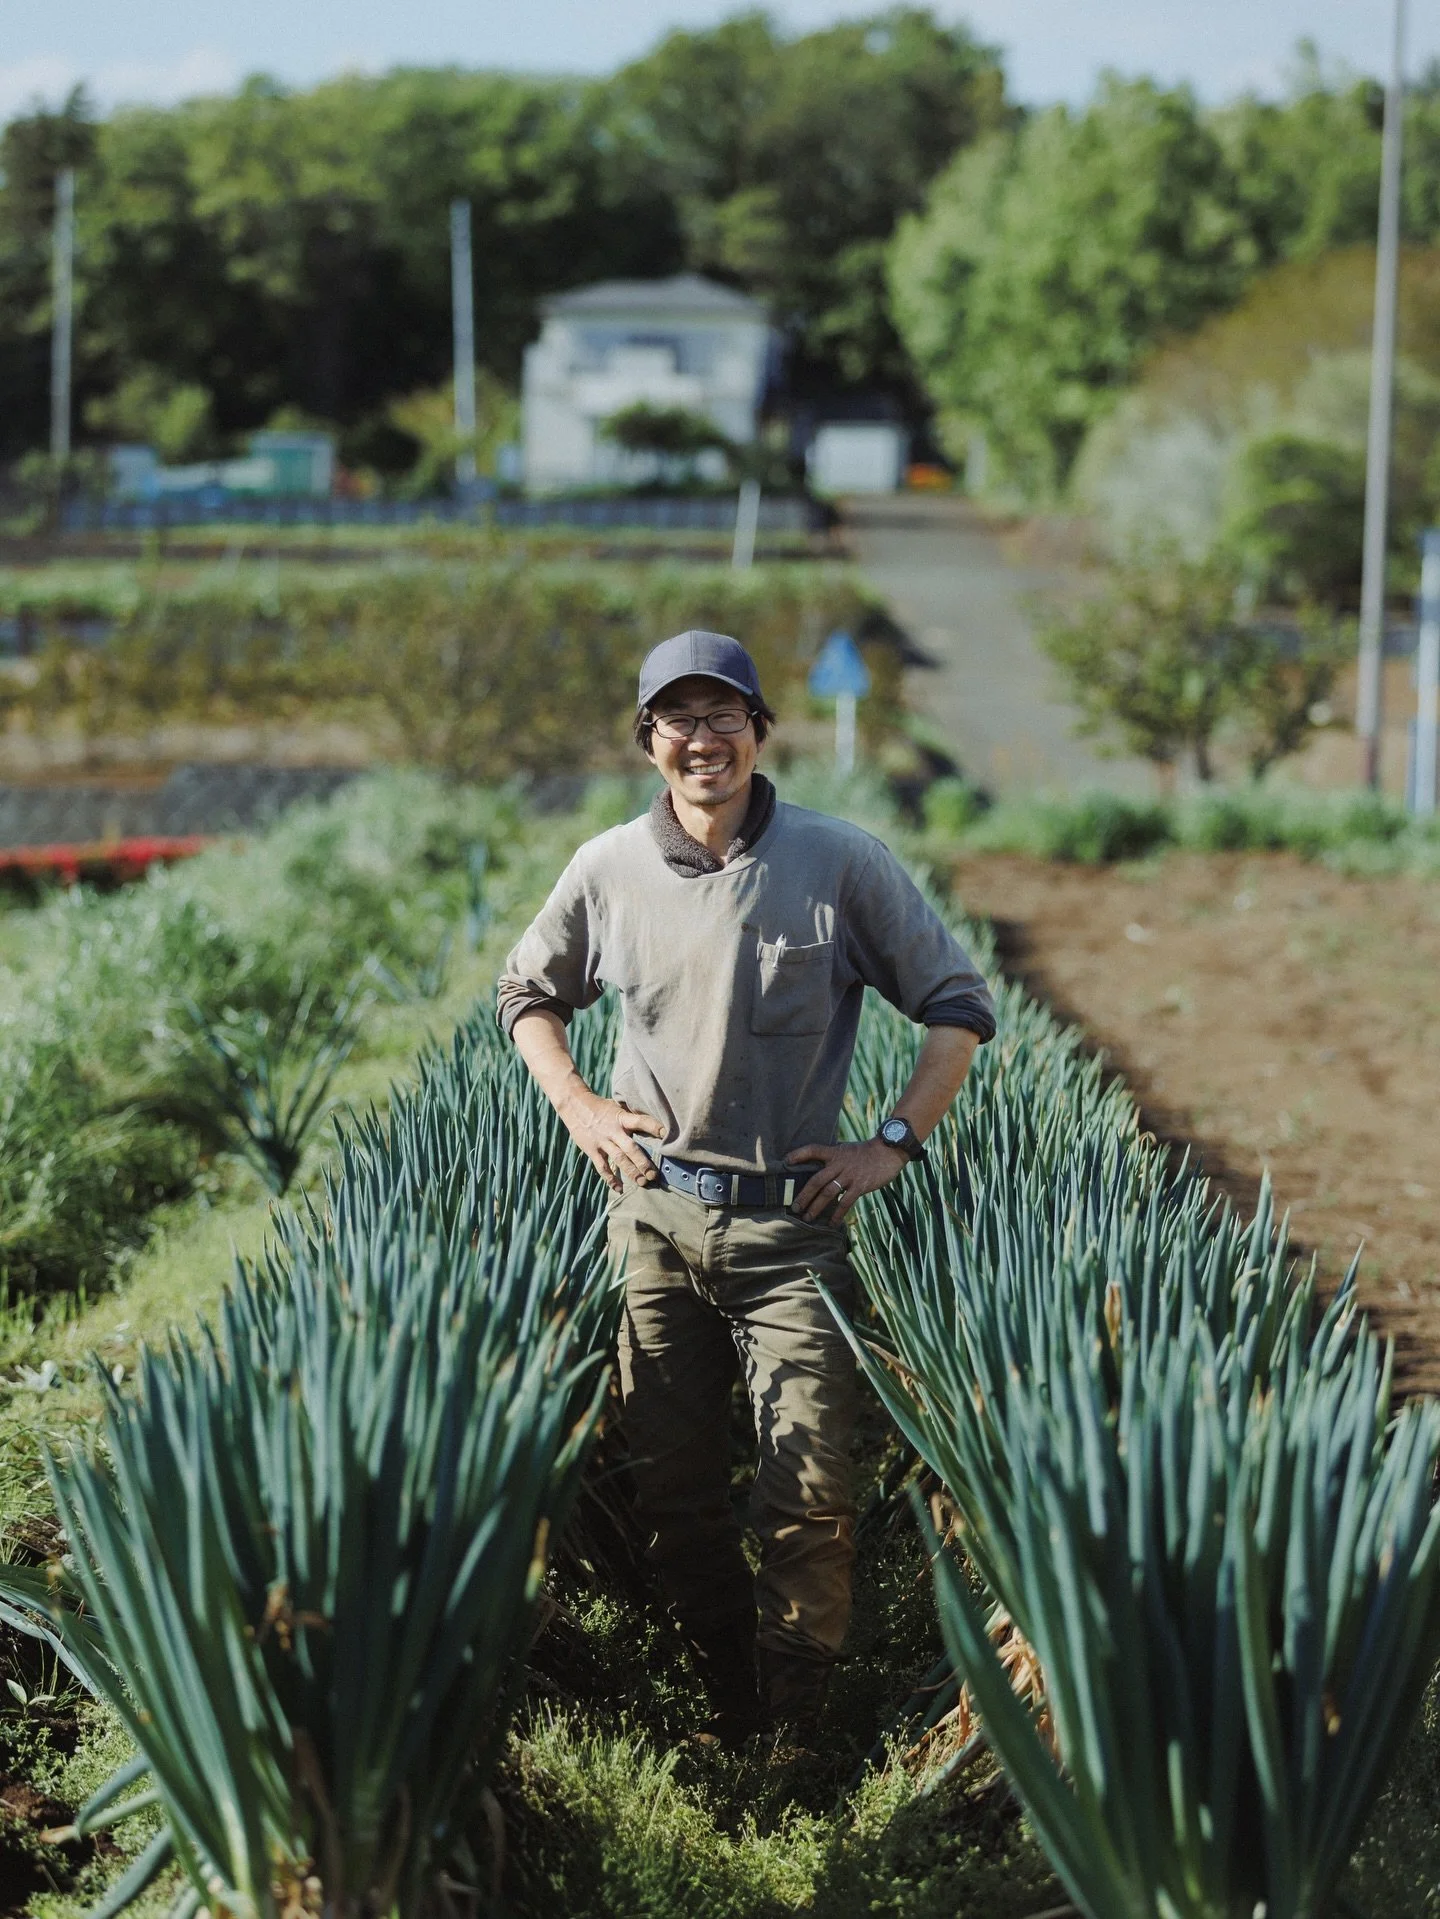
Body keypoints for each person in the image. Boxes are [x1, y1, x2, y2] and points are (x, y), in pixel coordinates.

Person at [497, 629, 995, 1747]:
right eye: (677, 719)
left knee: (809, 1486)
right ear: (649, 743)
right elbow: (525, 991)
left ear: (761, 729)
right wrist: (577, 1102)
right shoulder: (606, 867)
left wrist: (891, 1143)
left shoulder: (838, 860)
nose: (702, 737)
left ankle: (797, 1727)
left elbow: (958, 1005)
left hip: (792, 1223)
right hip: (655, 1223)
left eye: (723, 713)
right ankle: (726, 1700)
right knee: (672, 1494)